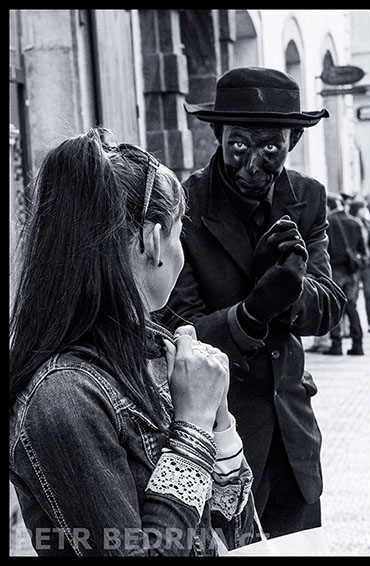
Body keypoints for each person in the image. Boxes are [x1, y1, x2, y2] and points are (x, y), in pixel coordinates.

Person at [9, 127, 255, 557]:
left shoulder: (160, 355)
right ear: (153, 240)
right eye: (181, 232)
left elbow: (233, 534)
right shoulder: (64, 395)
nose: (183, 250)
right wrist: (194, 427)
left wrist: (222, 424)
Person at [158, 67, 346, 540]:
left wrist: (289, 290)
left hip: (291, 438)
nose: (253, 164)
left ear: (291, 143)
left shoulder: (306, 197)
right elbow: (178, 329)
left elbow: (328, 304)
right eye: (239, 145)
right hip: (217, 430)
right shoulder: (186, 205)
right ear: (218, 136)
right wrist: (252, 311)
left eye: (271, 148)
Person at [322, 194, 367, 356]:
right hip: (352, 270)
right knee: (351, 306)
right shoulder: (355, 222)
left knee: (335, 307)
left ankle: (336, 344)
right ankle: (358, 343)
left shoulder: (328, 222)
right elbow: (363, 249)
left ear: (328, 206)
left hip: (334, 268)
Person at [349, 199, 370, 332]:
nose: (364, 211)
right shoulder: (351, 223)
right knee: (353, 295)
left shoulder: (368, 224)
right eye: (362, 208)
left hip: (367, 263)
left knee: (368, 294)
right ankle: (352, 327)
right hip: (356, 263)